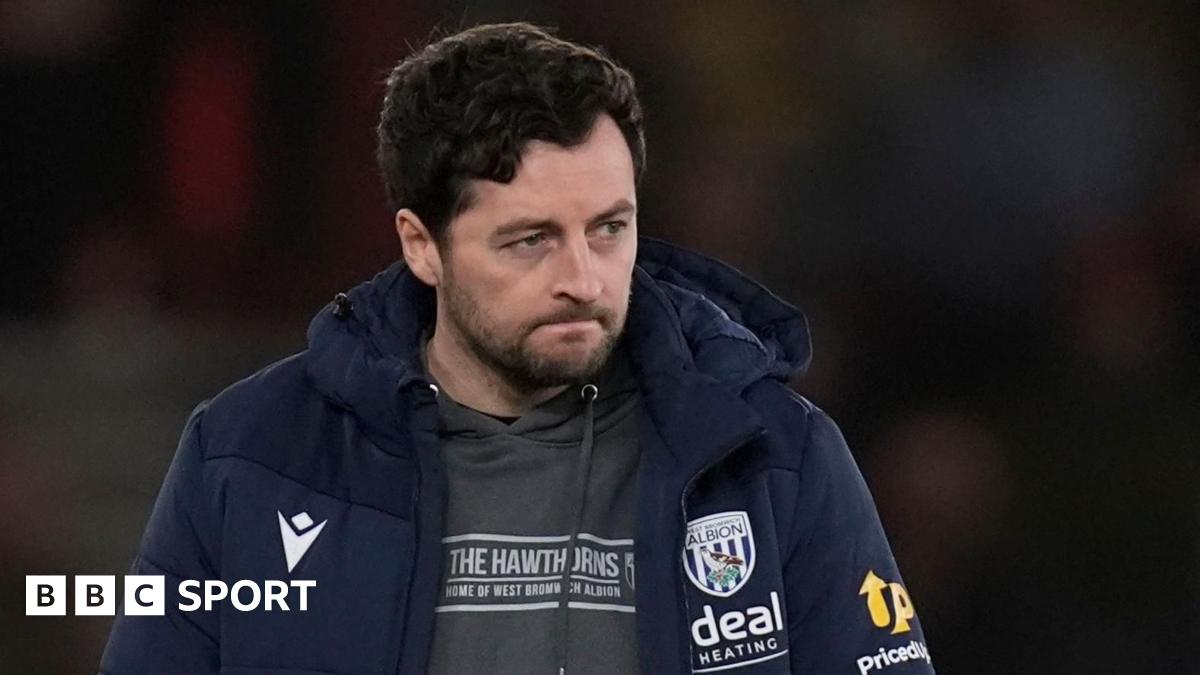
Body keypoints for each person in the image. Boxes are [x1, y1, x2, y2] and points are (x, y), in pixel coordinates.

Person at [100, 22, 933, 675]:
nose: (584, 277)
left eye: (609, 228)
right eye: (530, 240)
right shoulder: (250, 456)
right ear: (421, 245)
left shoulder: (772, 457)